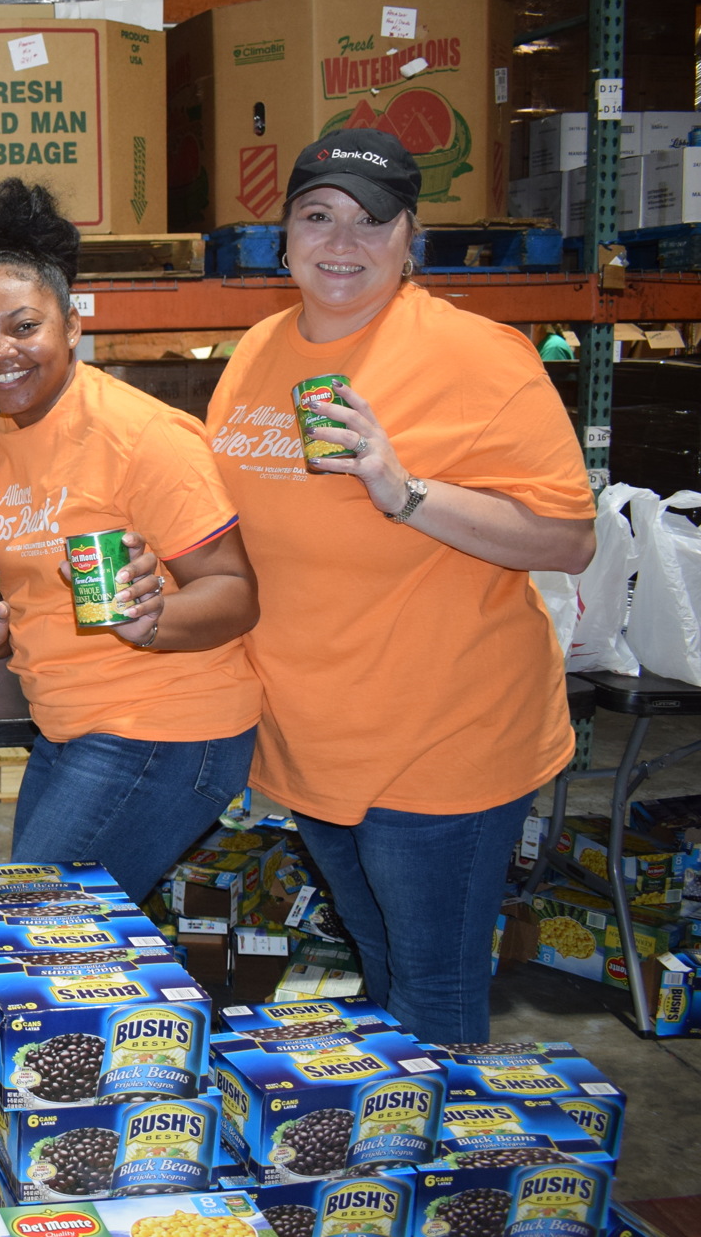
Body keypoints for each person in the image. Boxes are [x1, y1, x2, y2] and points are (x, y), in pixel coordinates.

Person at [202, 131, 595, 1043]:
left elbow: (568, 539)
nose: (344, 241)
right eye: (319, 216)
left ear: (411, 238)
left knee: (432, 992)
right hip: (314, 736)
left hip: (443, 737)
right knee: (379, 964)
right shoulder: (260, 348)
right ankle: (395, 1166)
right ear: (286, 236)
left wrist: (404, 490)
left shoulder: (478, 356)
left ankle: (454, 1181)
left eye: (373, 222)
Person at [0, 178, 263, 902]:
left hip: (168, 729)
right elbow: (14, 612)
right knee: (63, 947)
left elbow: (236, 593)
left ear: (72, 325)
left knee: (32, 928)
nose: (1, 353)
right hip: (68, 726)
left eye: (25, 327)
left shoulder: (142, 435)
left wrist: (155, 621)